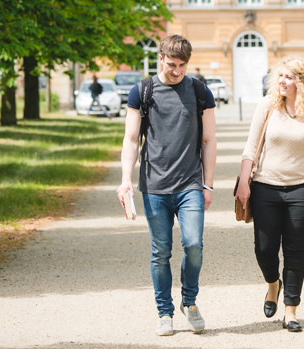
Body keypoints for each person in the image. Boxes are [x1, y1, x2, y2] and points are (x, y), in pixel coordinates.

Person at [117, 34, 217, 337]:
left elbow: (209, 140)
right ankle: (164, 312)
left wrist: (208, 185)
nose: (177, 71)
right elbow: (132, 139)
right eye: (172, 64)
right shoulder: (142, 91)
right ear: (161, 58)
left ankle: (190, 301)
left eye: (182, 65)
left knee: (193, 245)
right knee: (160, 251)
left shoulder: (200, 91)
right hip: (155, 186)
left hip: (190, 184)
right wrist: (125, 180)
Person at [235, 55, 304, 333]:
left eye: (288, 77)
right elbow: (250, 147)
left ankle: (290, 310)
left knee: (295, 251)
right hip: (265, 187)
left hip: (303, 189)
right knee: (265, 249)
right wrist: (245, 182)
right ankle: (272, 283)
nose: (282, 81)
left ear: (302, 83)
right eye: (280, 75)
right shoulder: (267, 105)